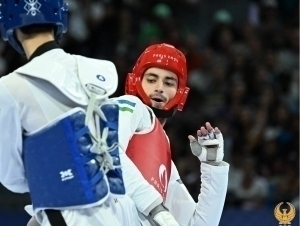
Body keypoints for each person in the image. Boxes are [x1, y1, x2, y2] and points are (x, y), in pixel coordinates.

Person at [0, 1, 179, 225]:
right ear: (59, 20)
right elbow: (111, 154)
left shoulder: (8, 89)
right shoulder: (99, 70)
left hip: (62, 213)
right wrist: (155, 208)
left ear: (9, 25)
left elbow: (13, 179)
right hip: (111, 212)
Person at [113, 43, 230, 225]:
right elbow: (106, 148)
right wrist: (154, 207)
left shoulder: (165, 161)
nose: (159, 88)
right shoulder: (130, 105)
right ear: (135, 83)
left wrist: (213, 168)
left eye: (168, 83)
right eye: (151, 80)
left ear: (180, 94)